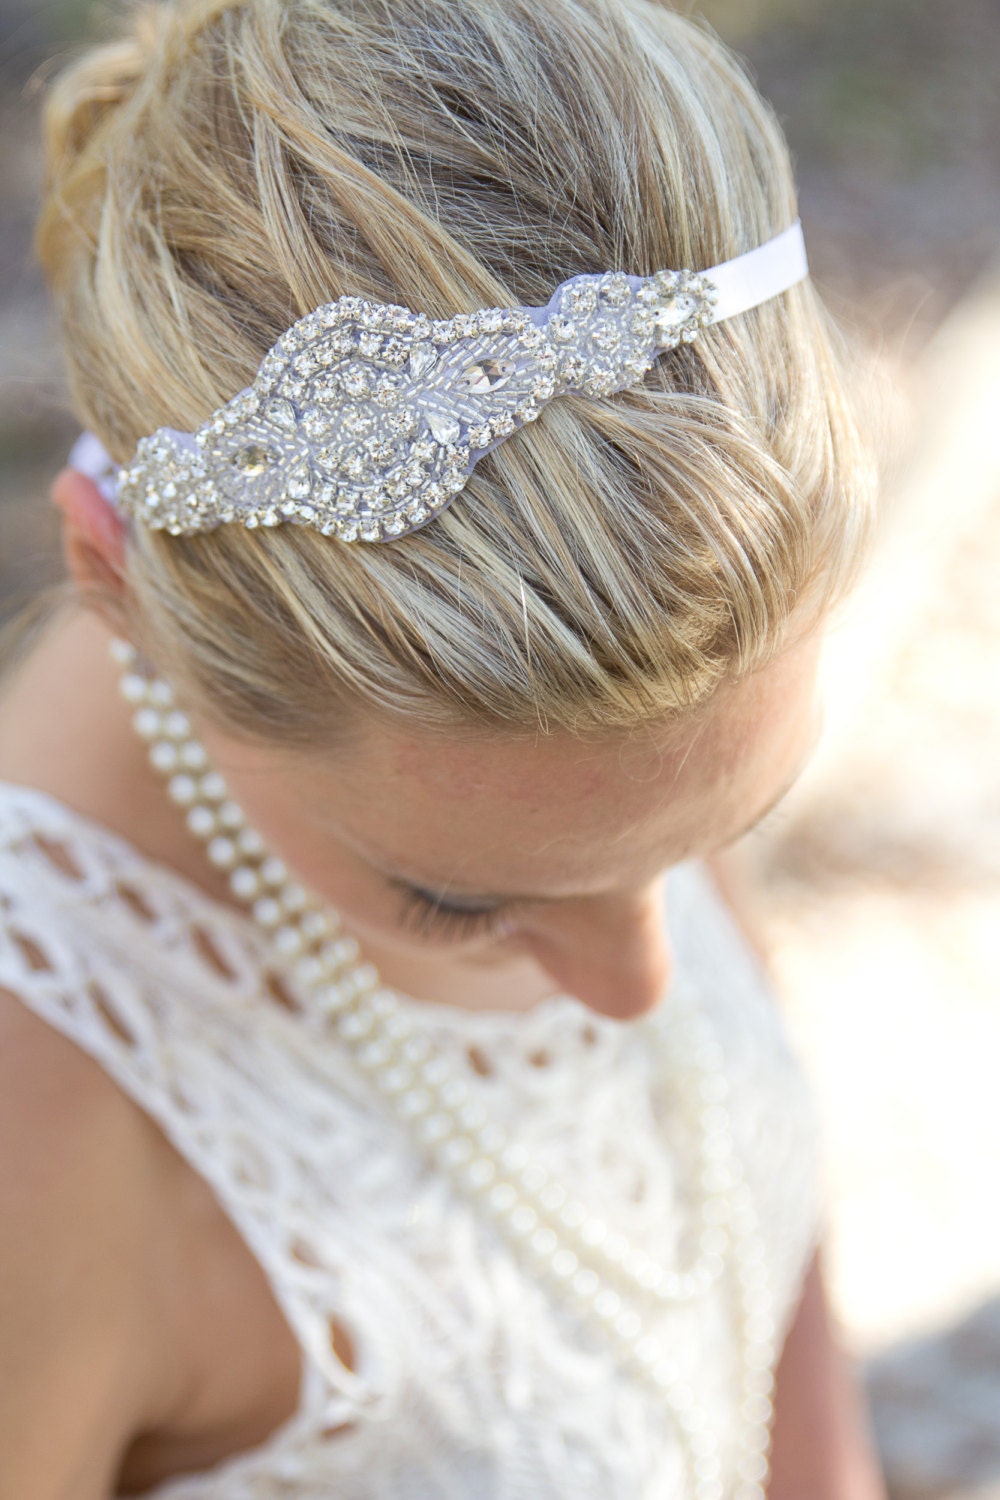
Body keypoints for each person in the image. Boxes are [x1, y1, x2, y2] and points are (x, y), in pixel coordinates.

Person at [0, 0, 887, 1495]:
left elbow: (737, 1215)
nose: (646, 983)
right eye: (460, 903)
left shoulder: (602, 688)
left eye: (709, 836)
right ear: (114, 579)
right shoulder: (46, 1136)